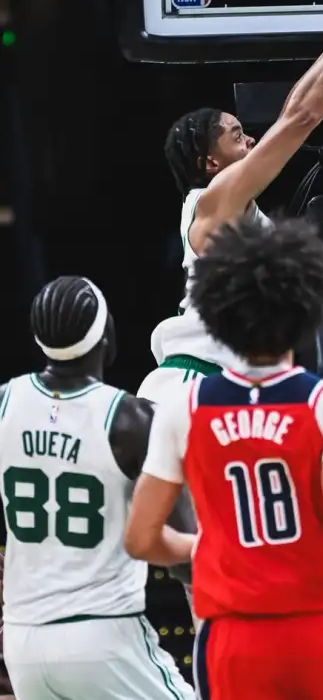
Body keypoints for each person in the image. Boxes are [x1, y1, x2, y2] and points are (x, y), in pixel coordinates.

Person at [124, 217, 323, 700]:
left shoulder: (184, 410)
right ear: (307, 307)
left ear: (216, 312)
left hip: (233, 637)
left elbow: (141, 538)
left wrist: (204, 548)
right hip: (318, 630)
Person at [138, 0, 323, 405]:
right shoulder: (214, 200)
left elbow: (291, 113)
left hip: (227, 381)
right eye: (236, 135)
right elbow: (302, 117)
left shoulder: (229, 204)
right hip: (195, 381)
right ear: (210, 163)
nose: (252, 140)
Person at [0, 277, 193, 700]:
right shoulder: (133, 419)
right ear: (107, 336)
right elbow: (185, 558)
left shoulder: (5, 404)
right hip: (103, 634)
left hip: (22, 640)